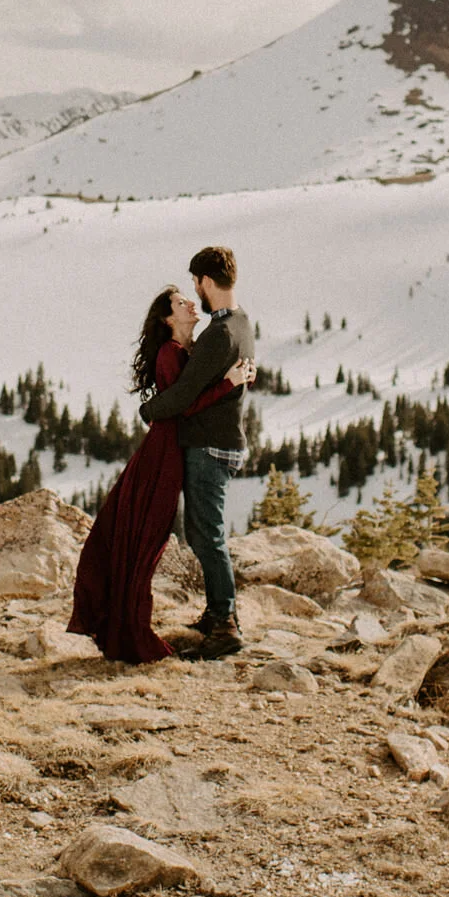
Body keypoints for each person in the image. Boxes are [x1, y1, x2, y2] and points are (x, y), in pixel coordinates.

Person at [68, 283, 253, 662]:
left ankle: (205, 615)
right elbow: (182, 405)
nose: (190, 302)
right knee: (151, 534)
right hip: (165, 451)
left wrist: (236, 378)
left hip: (174, 447)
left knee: (161, 534)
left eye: (189, 296)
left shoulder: (190, 347)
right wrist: (227, 384)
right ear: (168, 318)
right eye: (180, 302)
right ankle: (134, 618)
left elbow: (188, 397)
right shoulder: (171, 353)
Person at [139, 245, 256, 661]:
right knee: (206, 534)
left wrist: (148, 409)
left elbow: (181, 397)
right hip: (225, 443)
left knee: (207, 537)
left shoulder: (216, 336)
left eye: (195, 284)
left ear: (207, 283)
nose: (195, 292)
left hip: (209, 448)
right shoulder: (241, 324)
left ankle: (225, 626)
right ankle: (215, 613)